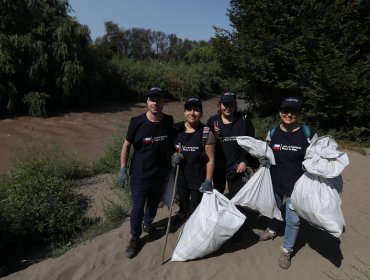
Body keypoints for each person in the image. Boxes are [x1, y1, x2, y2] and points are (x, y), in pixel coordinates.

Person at [257, 96, 317, 269]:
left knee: (293, 220)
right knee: (273, 209)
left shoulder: (308, 133)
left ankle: (287, 250)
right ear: (280, 113)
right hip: (274, 182)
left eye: (293, 111)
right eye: (285, 111)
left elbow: (318, 159)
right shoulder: (273, 132)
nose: (289, 114)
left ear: (298, 113)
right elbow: (266, 151)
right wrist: (263, 159)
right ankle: (272, 230)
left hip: (297, 187)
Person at [117, 87, 174, 259]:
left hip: (160, 173)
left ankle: (148, 225)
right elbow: (126, 145)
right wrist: (122, 169)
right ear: (147, 102)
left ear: (164, 102)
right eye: (151, 99)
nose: (155, 103)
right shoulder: (137, 122)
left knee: (153, 204)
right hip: (140, 175)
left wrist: (176, 153)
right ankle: (135, 237)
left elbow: (169, 145)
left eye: (158, 99)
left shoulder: (168, 121)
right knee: (137, 207)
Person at [172, 97, 215, 225]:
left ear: (201, 113)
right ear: (184, 112)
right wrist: (173, 156)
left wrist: (208, 180)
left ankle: (196, 224)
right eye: (189, 109)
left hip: (198, 177)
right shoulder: (176, 129)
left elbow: (211, 159)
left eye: (196, 110)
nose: (192, 113)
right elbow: (169, 149)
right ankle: (182, 214)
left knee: (197, 205)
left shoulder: (206, 132)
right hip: (181, 176)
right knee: (183, 200)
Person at [206, 92, 257, 199]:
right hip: (218, 167)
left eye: (231, 104)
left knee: (237, 199)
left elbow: (251, 144)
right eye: (225, 104)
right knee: (218, 197)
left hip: (237, 167)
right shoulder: (213, 121)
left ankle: (237, 214)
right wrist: (213, 133)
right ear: (220, 105)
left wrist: (244, 161)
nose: (228, 108)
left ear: (235, 105)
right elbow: (206, 143)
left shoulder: (244, 122)